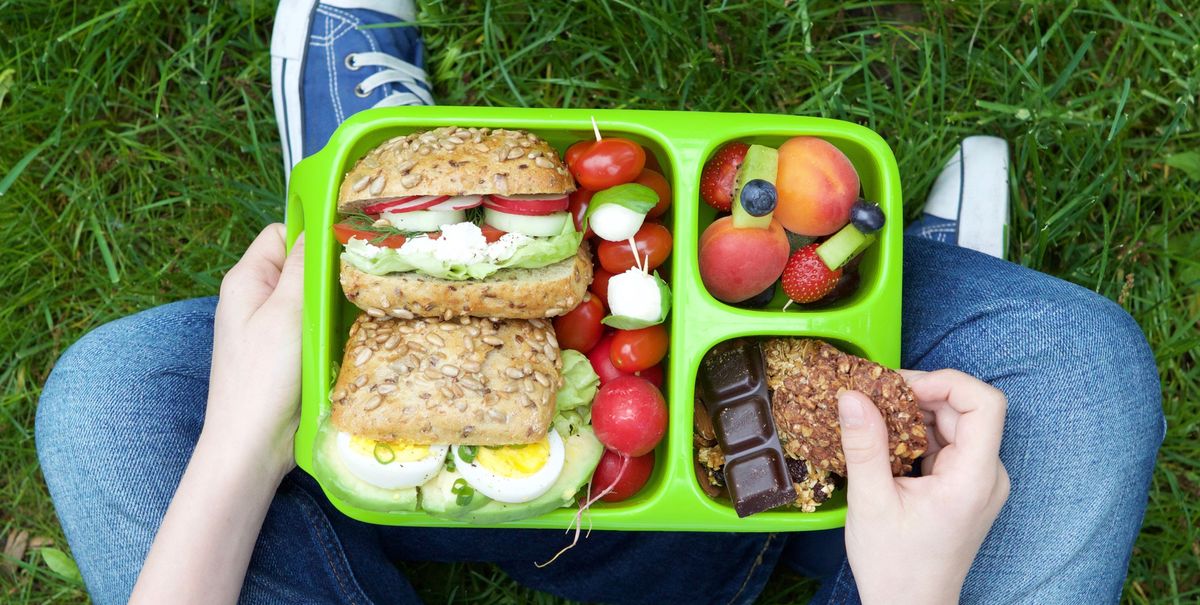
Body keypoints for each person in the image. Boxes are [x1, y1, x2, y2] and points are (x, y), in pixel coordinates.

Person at [35, 2, 1163, 604]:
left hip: (413, 473)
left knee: (108, 398)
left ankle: (390, 183)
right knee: (1066, 367)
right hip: (830, 532)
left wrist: (240, 444)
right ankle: (891, 283)